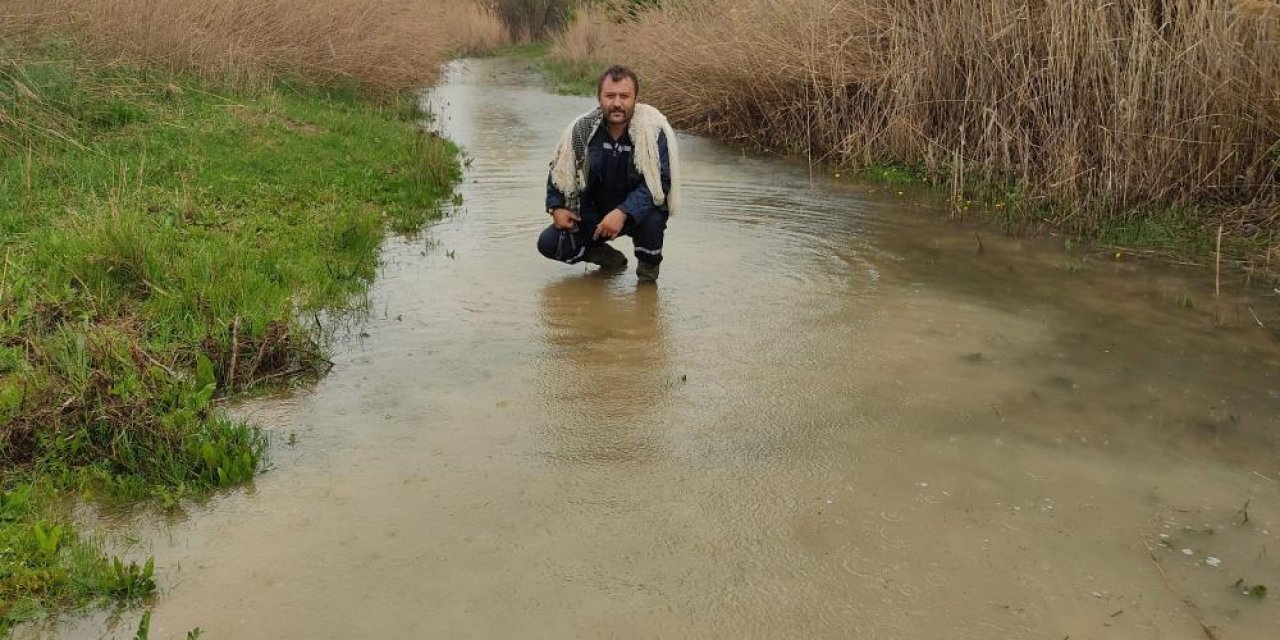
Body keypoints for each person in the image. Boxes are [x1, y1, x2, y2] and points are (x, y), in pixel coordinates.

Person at [537, 65, 679, 283]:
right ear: (599, 98)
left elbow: (660, 183)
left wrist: (623, 212)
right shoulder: (581, 130)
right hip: (594, 214)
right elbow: (560, 171)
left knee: (653, 219)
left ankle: (647, 282)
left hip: (637, 215)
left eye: (624, 96)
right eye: (610, 96)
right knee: (549, 243)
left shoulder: (653, 131)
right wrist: (556, 206)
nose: (617, 103)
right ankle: (611, 260)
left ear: (636, 98)